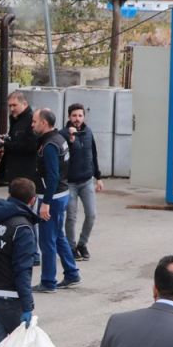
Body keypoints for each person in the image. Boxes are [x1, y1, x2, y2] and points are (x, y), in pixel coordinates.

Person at [0, 177, 47, 347]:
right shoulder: (22, 228)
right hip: (9, 298)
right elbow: (22, 270)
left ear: (9, 195)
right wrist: (28, 306)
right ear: (32, 201)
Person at [32, 107, 81, 293]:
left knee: (47, 241)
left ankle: (48, 281)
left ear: (44, 123)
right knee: (58, 236)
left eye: (35, 121)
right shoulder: (59, 138)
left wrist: (46, 202)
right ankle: (72, 273)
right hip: (61, 194)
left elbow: (52, 176)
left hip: (52, 196)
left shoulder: (50, 145)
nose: (32, 124)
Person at [63, 103, 104, 262]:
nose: (77, 119)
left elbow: (93, 154)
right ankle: (71, 247)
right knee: (71, 217)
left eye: (80, 116)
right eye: (74, 115)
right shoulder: (63, 134)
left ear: (84, 117)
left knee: (92, 215)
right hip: (70, 183)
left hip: (86, 181)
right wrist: (70, 138)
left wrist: (98, 177)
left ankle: (82, 243)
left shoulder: (88, 132)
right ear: (69, 117)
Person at [0, 90, 39, 184]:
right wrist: (7, 138)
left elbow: (31, 146)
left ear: (24, 104)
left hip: (25, 172)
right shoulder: (15, 118)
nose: (11, 109)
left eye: (14, 105)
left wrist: (8, 144)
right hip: (14, 170)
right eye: (10, 106)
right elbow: (17, 138)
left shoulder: (31, 120)